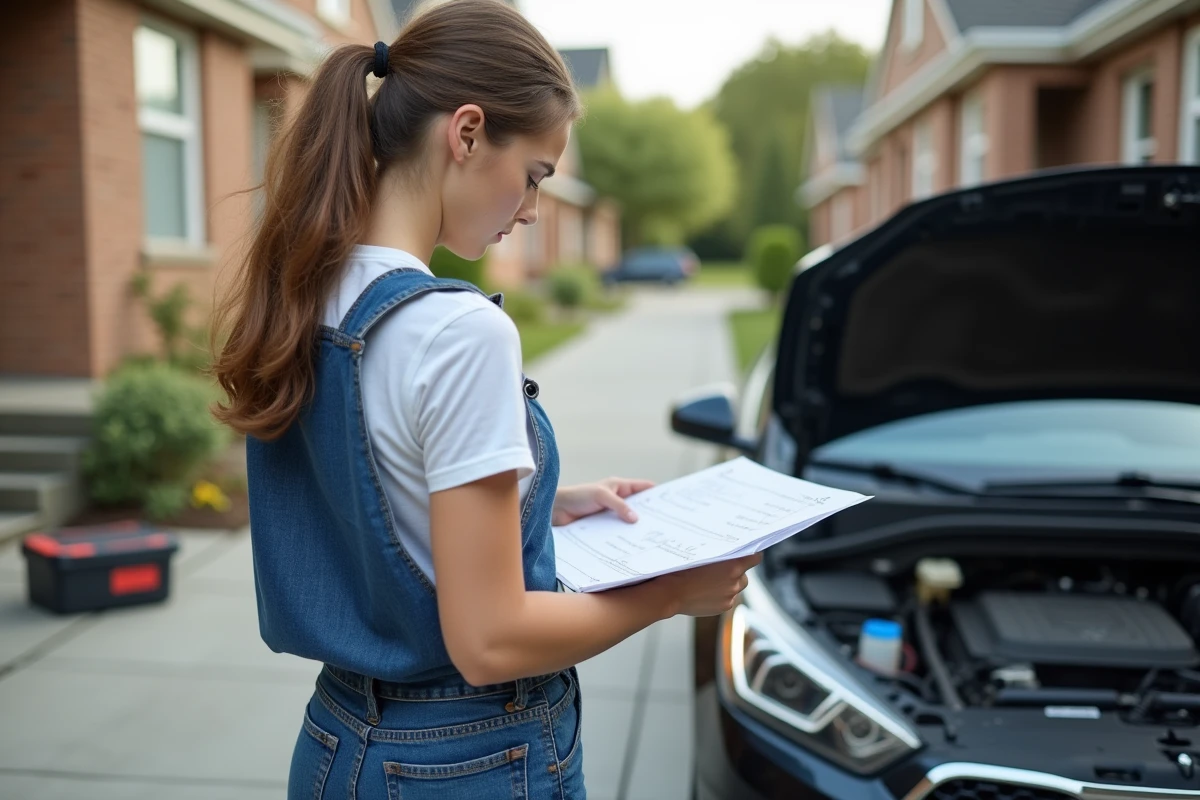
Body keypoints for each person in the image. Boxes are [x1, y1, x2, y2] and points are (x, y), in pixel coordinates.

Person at [211, 1, 759, 797]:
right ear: (466, 133)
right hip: (467, 758)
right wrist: (671, 593)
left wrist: (540, 497)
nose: (534, 209)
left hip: (338, 742)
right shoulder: (458, 332)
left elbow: (368, 480)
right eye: (534, 174)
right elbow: (491, 640)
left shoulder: (307, 292)